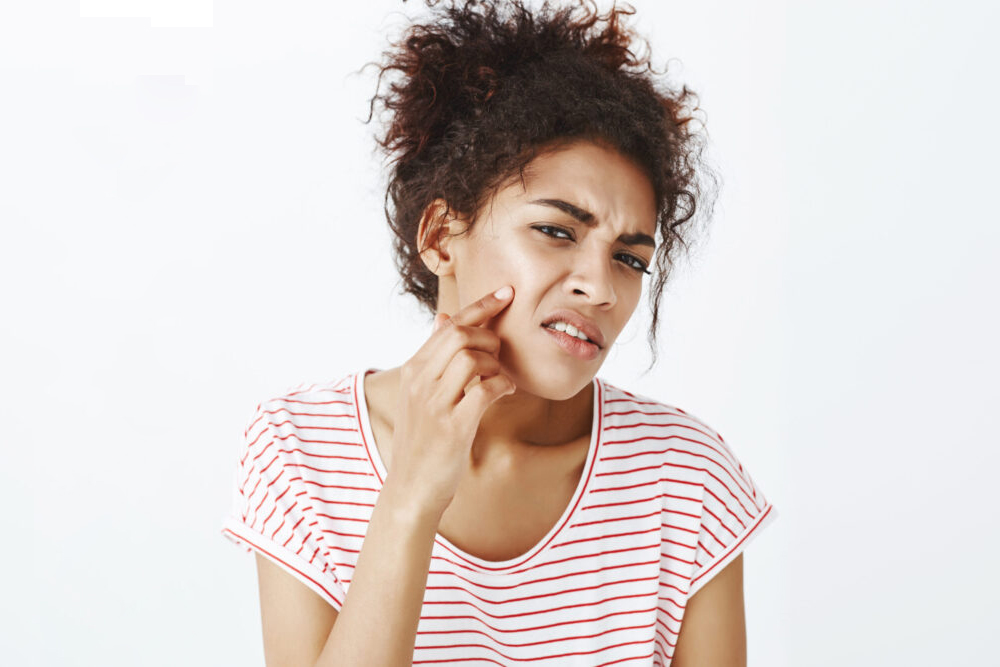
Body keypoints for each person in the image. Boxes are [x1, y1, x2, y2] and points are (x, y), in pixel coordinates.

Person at [221, 1, 777, 665]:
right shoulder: (301, 451)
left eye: (629, 258)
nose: (601, 287)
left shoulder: (684, 479)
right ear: (439, 237)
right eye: (556, 230)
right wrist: (408, 499)